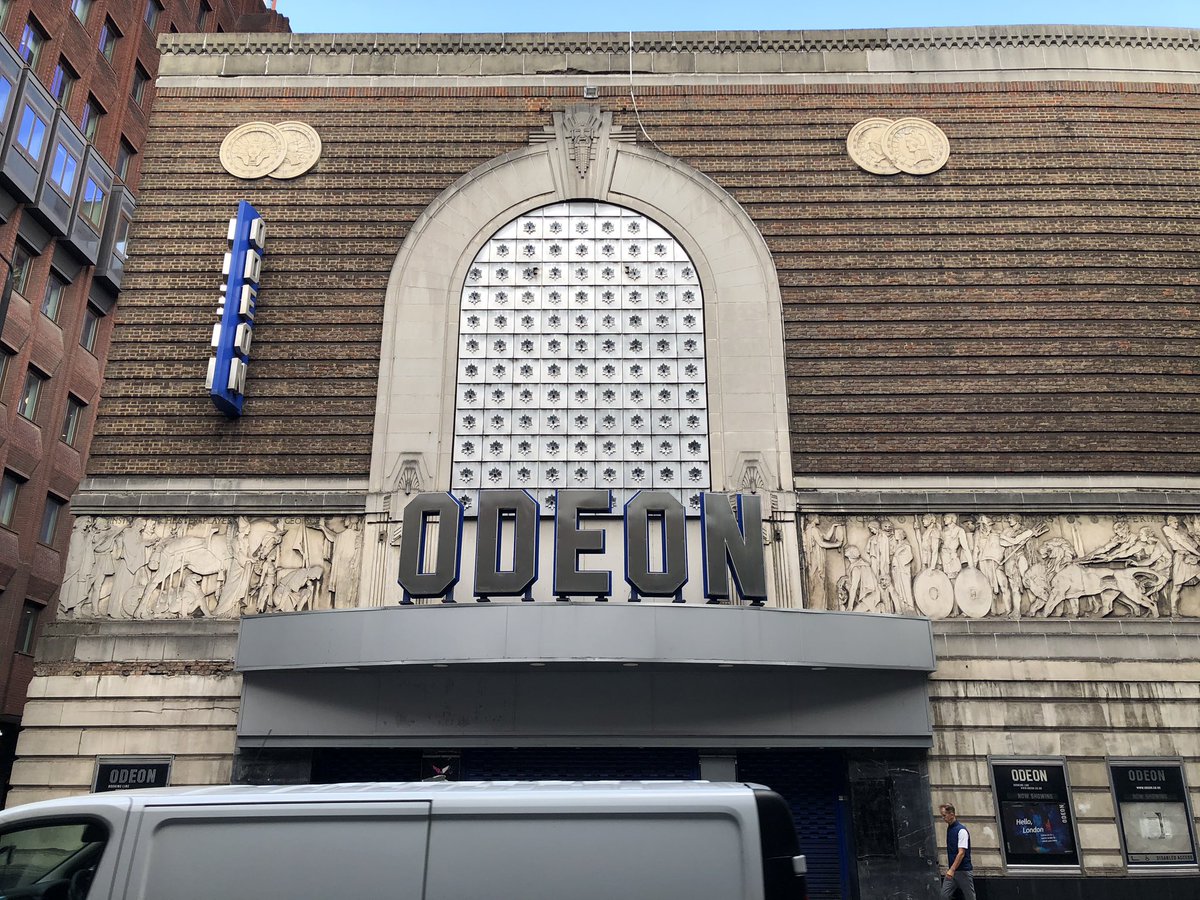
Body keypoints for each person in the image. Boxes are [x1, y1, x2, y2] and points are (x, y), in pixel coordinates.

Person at [939, 803, 975, 900]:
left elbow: (961, 853)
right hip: (953, 871)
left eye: (944, 815)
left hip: (963, 870)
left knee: (969, 897)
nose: (943, 818)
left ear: (951, 814)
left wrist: (952, 869)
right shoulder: (950, 829)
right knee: (944, 896)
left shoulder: (961, 831)